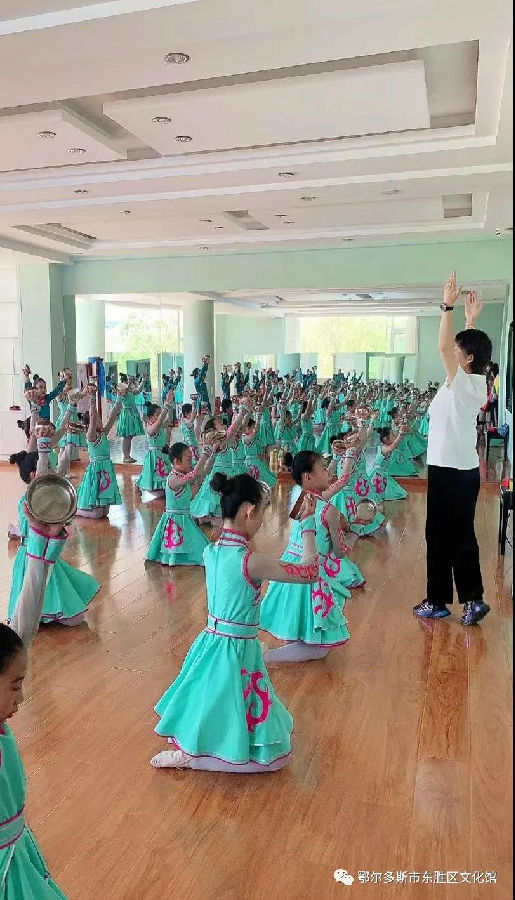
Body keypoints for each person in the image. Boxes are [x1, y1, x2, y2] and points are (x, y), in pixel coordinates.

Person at [150, 474, 319, 771]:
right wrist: (307, 525)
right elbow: (310, 572)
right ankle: (196, 759)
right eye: (262, 512)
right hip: (237, 650)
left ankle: (194, 752)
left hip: (211, 643)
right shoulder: (250, 561)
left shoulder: (211, 551)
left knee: (216, 705)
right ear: (249, 511)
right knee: (273, 760)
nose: (262, 520)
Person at [413, 275, 492, 625]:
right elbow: (458, 349)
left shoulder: (462, 383)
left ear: (468, 357)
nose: (452, 354)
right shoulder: (467, 382)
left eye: (460, 352)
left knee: (446, 535)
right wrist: (470, 322)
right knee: (454, 534)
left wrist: (447, 306)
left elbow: (445, 348)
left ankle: (450, 600)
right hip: (458, 469)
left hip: (450, 471)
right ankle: (456, 600)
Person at [1, 514, 70, 898]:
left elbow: (22, 629)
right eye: (14, 686)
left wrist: (42, 549)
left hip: (17, 851)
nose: (21, 698)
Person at [146, 441, 219, 567]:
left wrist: (213, 454)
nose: (191, 462)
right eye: (188, 459)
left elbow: (203, 473)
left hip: (186, 519)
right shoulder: (173, 478)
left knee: (203, 549)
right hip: (175, 522)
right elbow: (194, 475)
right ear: (176, 461)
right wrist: (205, 454)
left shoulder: (182, 478)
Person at [76, 386, 123, 517]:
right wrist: (92, 399)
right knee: (97, 514)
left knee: (105, 512)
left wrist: (119, 399)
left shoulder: (103, 433)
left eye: (100, 419)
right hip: (96, 471)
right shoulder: (91, 436)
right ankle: (75, 511)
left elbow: (112, 417)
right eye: (97, 419)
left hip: (106, 469)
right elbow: (92, 417)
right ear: (90, 424)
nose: (100, 421)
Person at [136, 397, 174, 496]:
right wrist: (166, 406)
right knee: (151, 473)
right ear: (150, 417)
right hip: (154, 455)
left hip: (163, 453)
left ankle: (163, 487)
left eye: (160, 414)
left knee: (164, 472)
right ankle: (139, 485)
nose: (160, 416)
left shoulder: (160, 426)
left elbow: (169, 419)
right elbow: (160, 421)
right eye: (158, 414)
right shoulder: (150, 428)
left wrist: (170, 406)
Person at [116, 376, 145, 462]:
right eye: (127, 381)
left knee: (130, 436)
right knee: (127, 437)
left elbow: (138, 391)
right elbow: (125, 391)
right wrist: (129, 383)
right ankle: (126, 456)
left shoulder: (130, 391)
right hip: (127, 415)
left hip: (132, 414)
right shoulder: (121, 390)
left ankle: (127, 455)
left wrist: (143, 381)